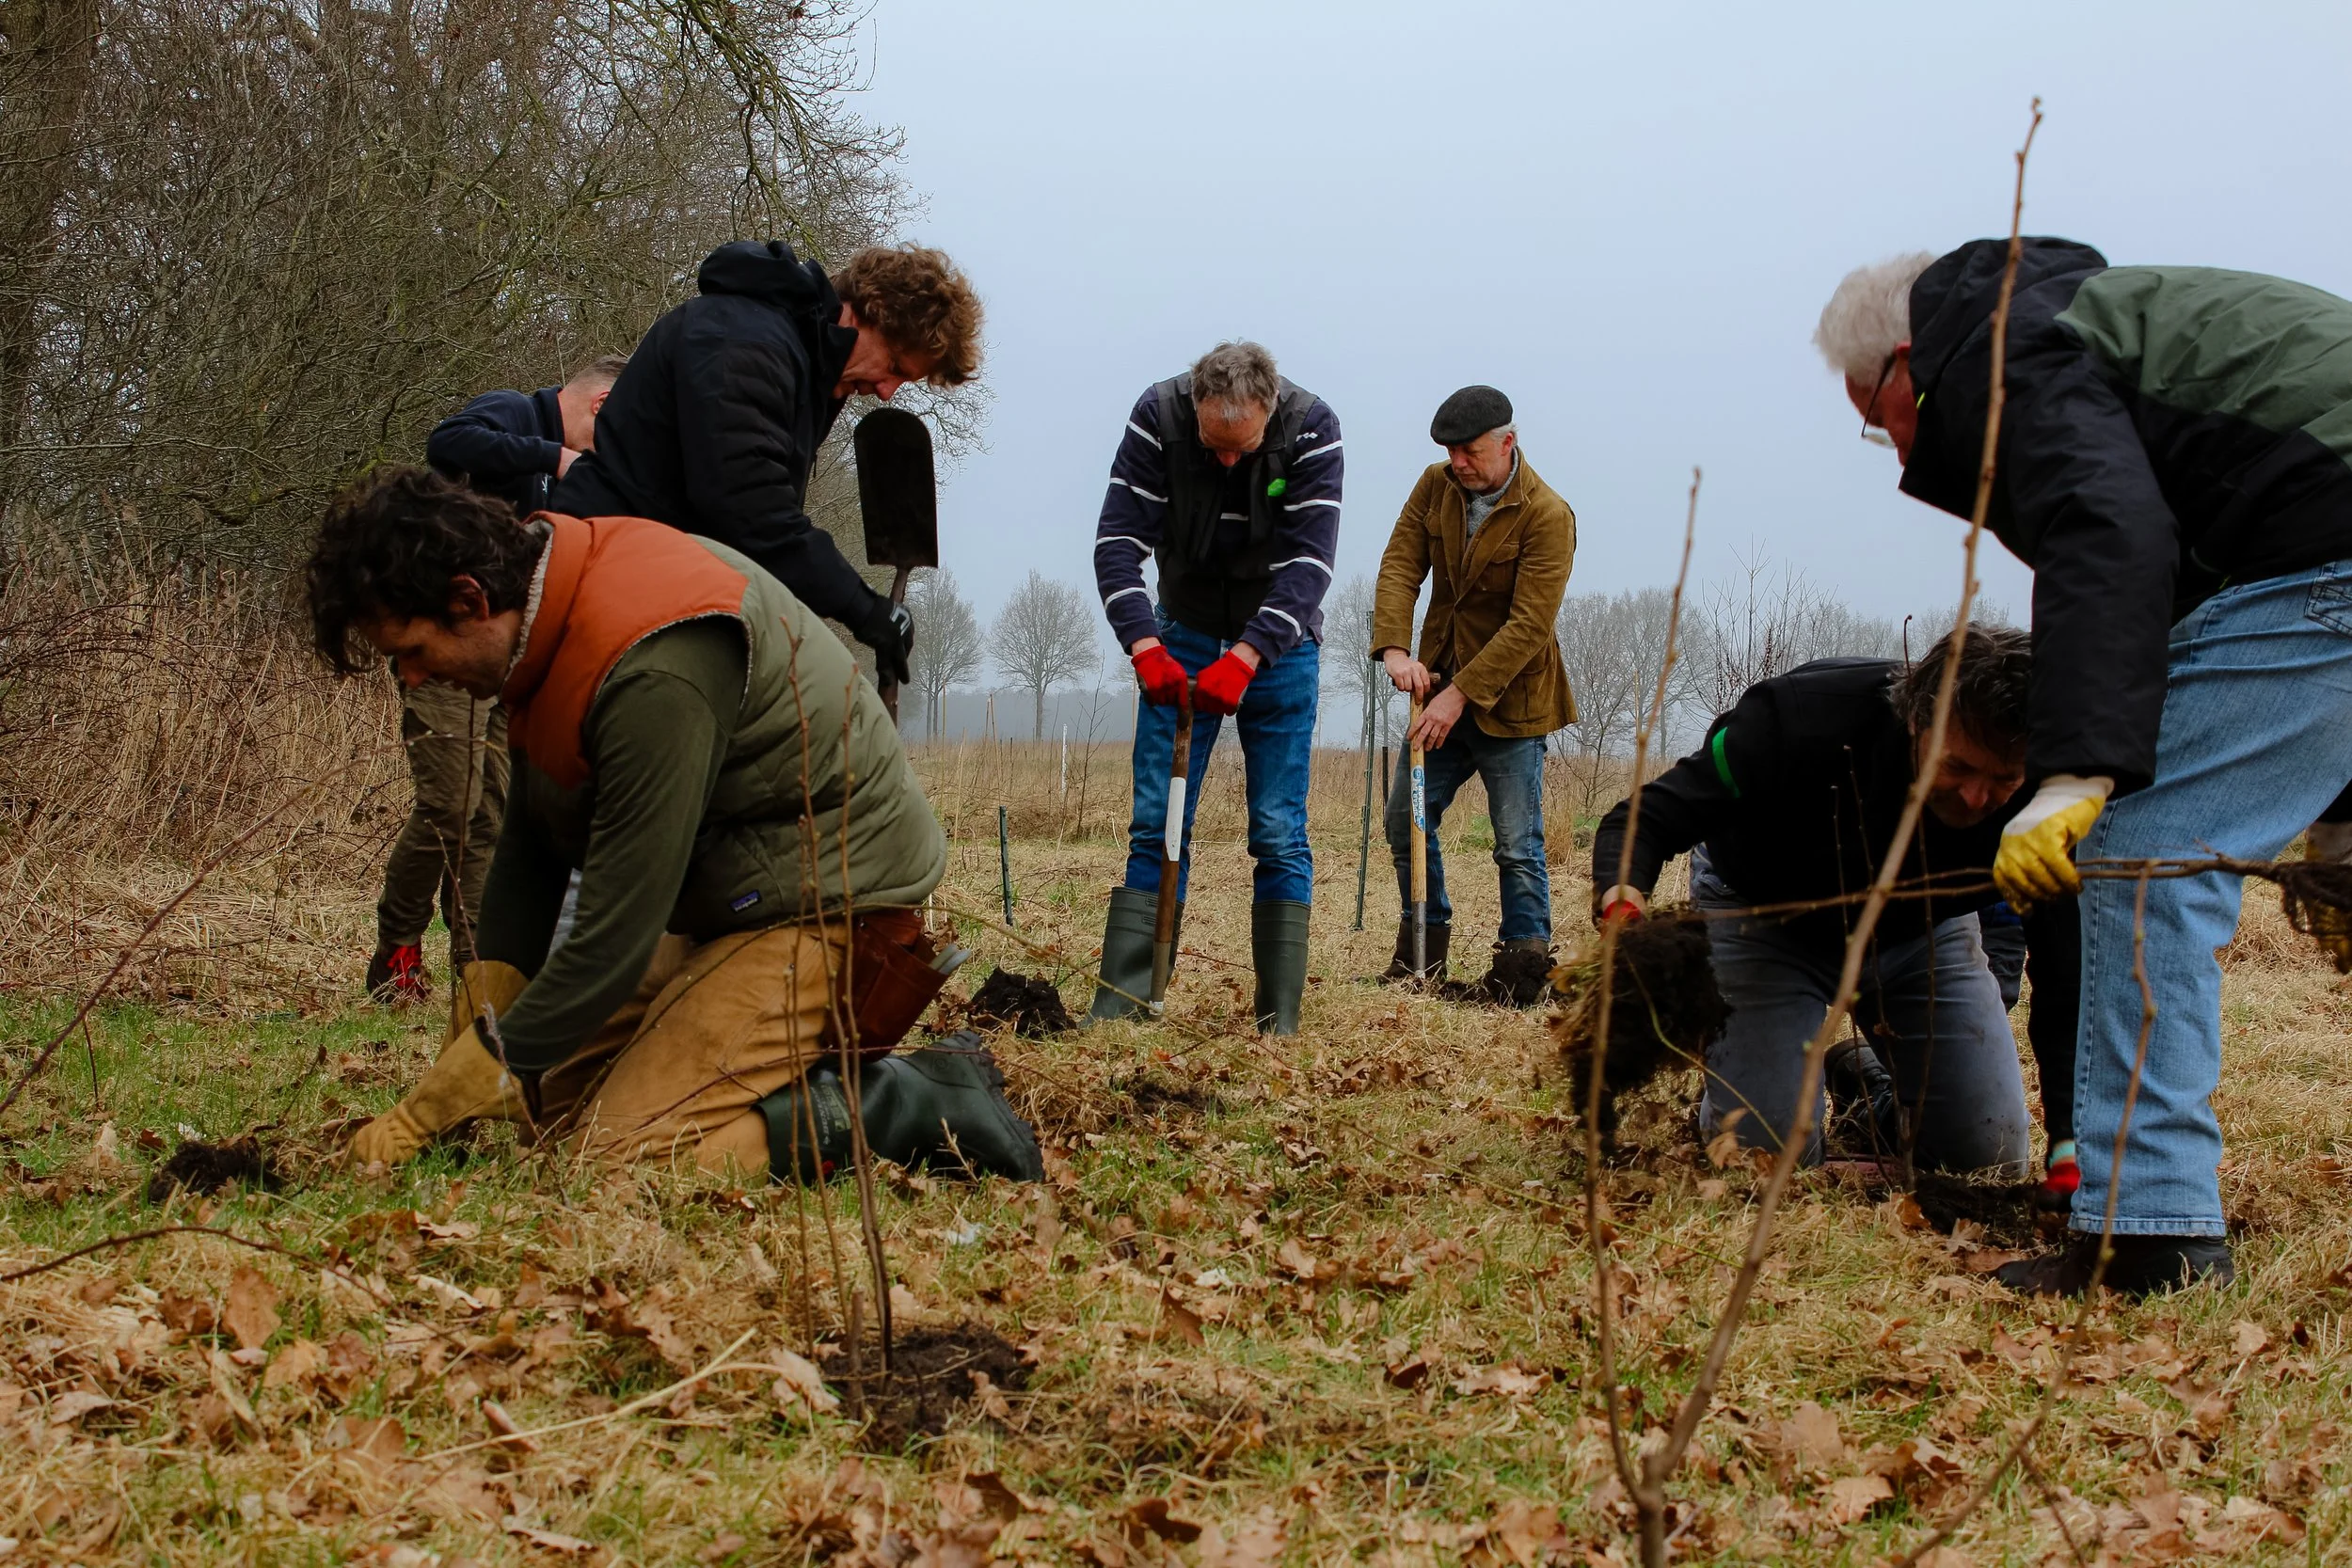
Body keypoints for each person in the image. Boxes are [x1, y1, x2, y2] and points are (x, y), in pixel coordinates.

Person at [1819, 240, 2352, 1294]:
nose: (1885, 447)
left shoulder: (2008, 351)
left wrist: (2075, 774)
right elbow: (2184, 601)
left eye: (1874, 412)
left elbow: (2104, 535)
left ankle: (2147, 1232)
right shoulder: (2093, 329)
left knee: (2141, 854)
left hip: (2321, 545)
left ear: (1907, 358)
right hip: (2309, 540)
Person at [309, 467, 1040, 1182]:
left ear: (469, 599)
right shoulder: (542, 624)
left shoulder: (650, 662)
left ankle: (905, 1098)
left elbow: (615, 938)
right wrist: (471, 1047)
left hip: (832, 904)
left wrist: (438, 1101)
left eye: (410, 652)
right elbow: (528, 854)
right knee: (540, 1113)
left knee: (617, 1160)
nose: (410, 678)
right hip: (729, 902)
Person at [1591, 627, 2074, 1180]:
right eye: (1957, 767)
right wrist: (1623, 914)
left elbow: (2065, 974)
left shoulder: (2054, 795)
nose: (1975, 798)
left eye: (2002, 779)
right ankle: (1756, 1067)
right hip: (1763, 918)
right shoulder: (1795, 719)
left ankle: (1862, 1080)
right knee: (1764, 1161)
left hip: (1920, 934)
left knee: (1987, 1159)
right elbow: (1645, 819)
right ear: (1916, 720)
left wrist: (2066, 1140)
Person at [552, 241, 982, 689]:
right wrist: (864, 609)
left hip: (641, 596)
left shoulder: (802, 363)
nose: (888, 391)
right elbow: (749, 509)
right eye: (893, 365)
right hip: (591, 592)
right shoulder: (746, 342)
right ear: (862, 313)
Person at [1085, 341, 1342, 1035]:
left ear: (1271, 410)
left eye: (1244, 446)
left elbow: (1310, 563)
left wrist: (1251, 654)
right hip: (1184, 628)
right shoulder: (1157, 418)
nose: (1227, 460)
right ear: (1194, 409)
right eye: (1212, 443)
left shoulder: (1314, 430)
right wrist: (1144, 645)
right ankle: (1130, 1001)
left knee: (1279, 828)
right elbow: (1117, 542)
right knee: (1157, 822)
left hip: (1280, 647)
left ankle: (1277, 1018)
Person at [364, 357, 627, 1004]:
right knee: (448, 804)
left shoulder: (558, 481)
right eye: (611, 431)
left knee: (493, 813)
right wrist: (558, 457)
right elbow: (447, 443)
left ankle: (475, 965)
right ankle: (395, 950)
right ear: (598, 406)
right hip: (439, 649)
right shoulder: (515, 413)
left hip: (501, 662)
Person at [1371, 386, 1576, 1004]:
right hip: (1437, 692)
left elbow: (1527, 627)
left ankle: (1522, 972)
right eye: (1450, 450)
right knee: (1405, 820)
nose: (1457, 462)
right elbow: (1400, 564)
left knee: (1517, 844)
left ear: (1507, 443)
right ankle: (1422, 957)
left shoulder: (1547, 513)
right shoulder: (1435, 488)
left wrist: (1458, 694)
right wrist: (1396, 649)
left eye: (1469, 450)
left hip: (1512, 705)